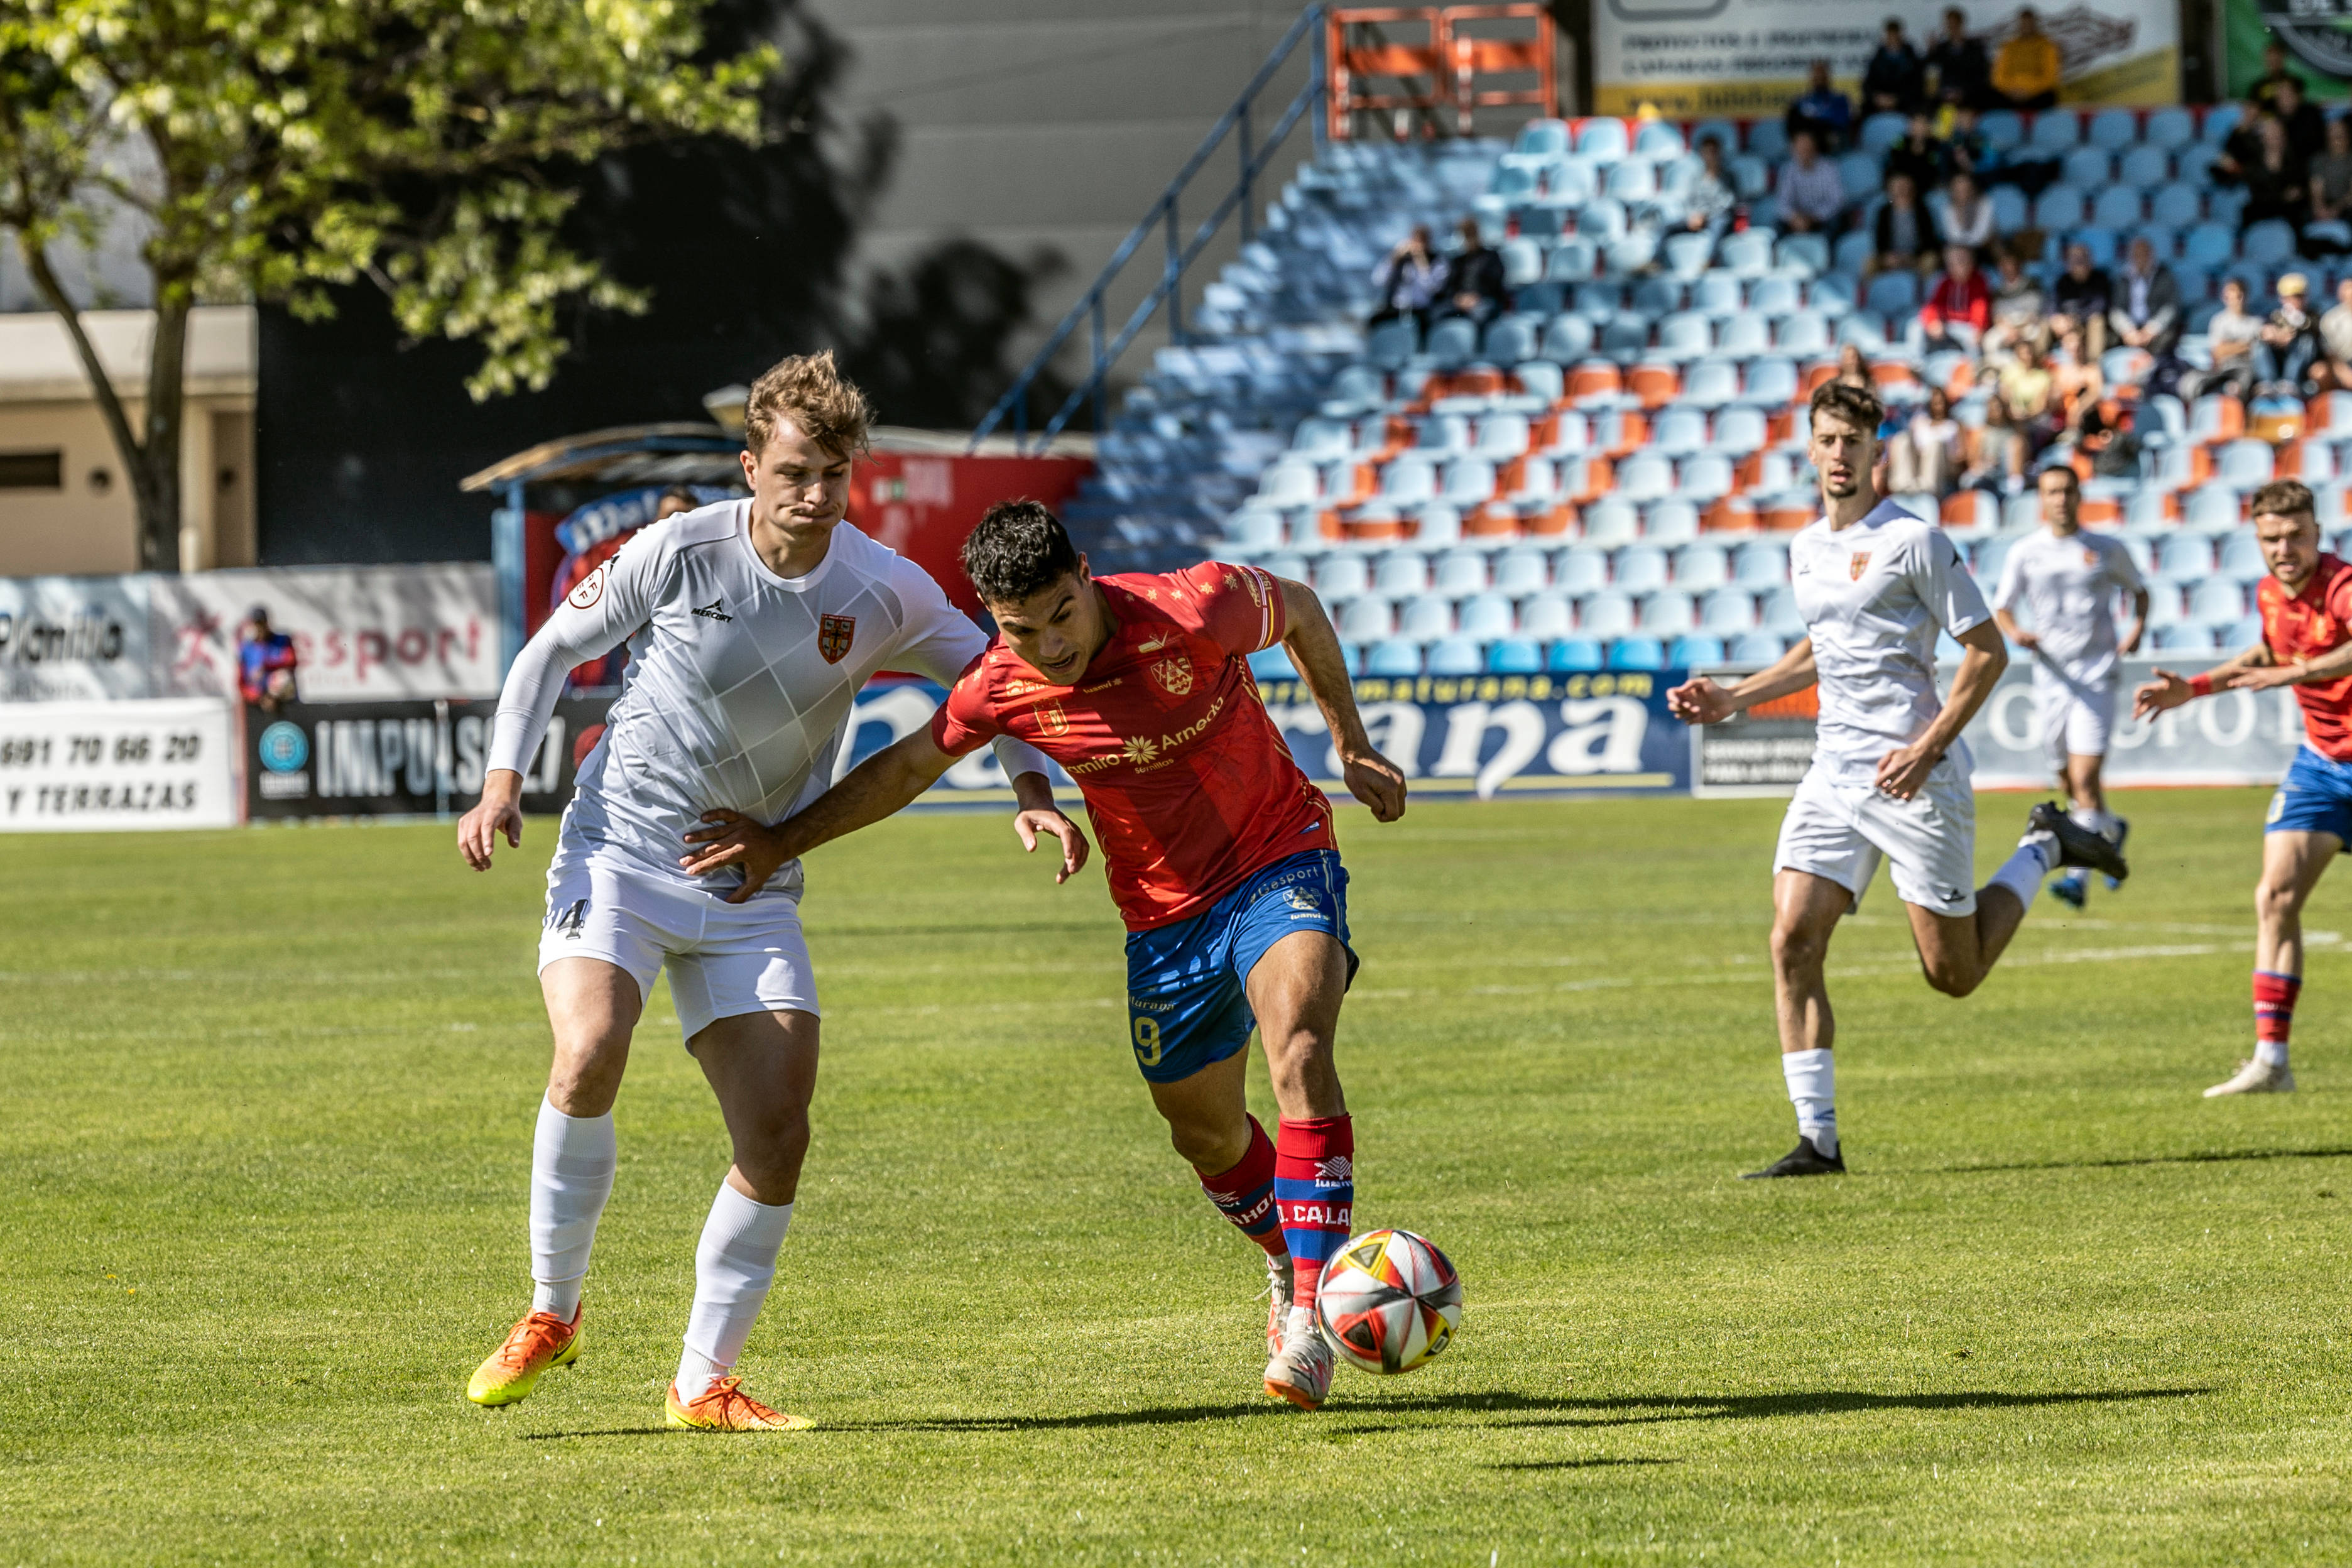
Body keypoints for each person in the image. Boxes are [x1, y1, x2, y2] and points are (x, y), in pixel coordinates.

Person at [451, 352, 1060, 1432]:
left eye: (831, 473)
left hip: (752, 880)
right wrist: (502, 785)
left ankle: (701, 1382)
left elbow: (993, 686)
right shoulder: (678, 551)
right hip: (621, 853)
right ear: (751, 466)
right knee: (589, 1048)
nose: (811, 494)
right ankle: (551, 1310)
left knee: (777, 1130)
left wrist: (1030, 789)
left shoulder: (881, 588)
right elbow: (547, 653)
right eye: (791, 471)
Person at [722, 500, 1409, 1409]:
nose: (1051, 644)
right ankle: (1288, 1257)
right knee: (1202, 1131)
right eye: (1021, 628)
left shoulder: (1197, 607)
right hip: (1164, 921)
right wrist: (781, 842)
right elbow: (904, 771)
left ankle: (1316, 1321)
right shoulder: (1001, 683)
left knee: (1300, 1049)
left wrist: (1351, 744)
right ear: (994, 623)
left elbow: (1306, 612)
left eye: (1061, 613)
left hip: (1281, 855)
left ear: (1085, 574)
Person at [1667, 381, 2125, 1179]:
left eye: (1854, 441)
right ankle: (1819, 1141)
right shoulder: (1806, 546)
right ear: (1810, 450)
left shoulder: (1915, 541)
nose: (1840, 455)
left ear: (1878, 451)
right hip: (1834, 774)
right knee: (1792, 938)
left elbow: (1988, 651)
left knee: (1954, 974)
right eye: (1828, 441)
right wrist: (1734, 695)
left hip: (1917, 779)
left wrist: (1928, 744)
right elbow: (1823, 645)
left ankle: (2045, 846)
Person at [2134, 481, 2352, 1097]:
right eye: (2272, 538)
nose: (2285, 548)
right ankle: (2271, 1060)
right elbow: (2267, 652)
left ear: (2317, 533)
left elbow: (2302, 658)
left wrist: (2300, 672)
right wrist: (2195, 689)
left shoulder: (2341, 587)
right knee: (2275, 897)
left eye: (2296, 535)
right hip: (2322, 767)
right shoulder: (2267, 593)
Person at [1991, 466, 2150, 908]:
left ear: (2080, 495)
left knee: (2084, 778)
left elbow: (2140, 592)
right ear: (2042, 499)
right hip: (2051, 680)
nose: (2060, 499)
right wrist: (2016, 632)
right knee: (2065, 778)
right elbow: (2002, 606)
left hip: (2095, 674)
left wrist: (2137, 629)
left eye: (2067, 491)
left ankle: (2078, 879)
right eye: (2051, 492)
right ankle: (2112, 828)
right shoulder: (2026, 552)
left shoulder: (2105, 549)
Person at [2109, 237, 2181, 357]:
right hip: (2129, 329)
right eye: (2136, 254)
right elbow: (2116, 309)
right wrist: (2127, 331)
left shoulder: (2165, 277)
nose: (2141, 258)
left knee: (2169, 339)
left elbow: (2172, 307)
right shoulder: (2122, 278)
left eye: (2144, 254)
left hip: (2155, 329)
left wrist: (2151, 330)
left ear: (2152, 255)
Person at [1887, 386, 1963, 496]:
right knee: (1902, 439)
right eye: (1935, 403)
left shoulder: (1953, 425)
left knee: (1935, 445)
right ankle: (1901, 483)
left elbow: (1960, 456)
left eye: (1940, 403)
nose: (1938, 406)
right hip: (1919, 460)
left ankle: (1928, 487)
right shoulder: (1920, 422)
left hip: (1943, 464)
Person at [2240, 116, 2311, 233]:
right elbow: (2257, 199)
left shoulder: (2295, 165)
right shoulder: (2252, 167)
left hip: (2290, 222)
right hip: (2259, 221)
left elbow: (2299, 194)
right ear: (2263, 138)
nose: (2276, 136)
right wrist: (2282, 198)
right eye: (2272, 133)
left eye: (2279, 133)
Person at [1432, 217, 1508, 325]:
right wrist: (1457, 298)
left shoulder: (1491, 257)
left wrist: (1476, 297)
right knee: (1437, 313)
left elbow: (1495, 285)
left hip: (1484, 300)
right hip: (1459, 301)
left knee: (1480, 315)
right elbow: (1450, 286)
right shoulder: (1458, 260)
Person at [2258, 272, 2322, 397]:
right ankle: (2267, 384)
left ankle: (2290, 384)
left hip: (2302, 373)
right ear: (2282, 299)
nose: (2295, 301)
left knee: (2306, 341)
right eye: (2290, 297)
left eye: (2299, 297)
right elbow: (2263, 332)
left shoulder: (2313, 315)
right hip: (2277, 365)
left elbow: (2314, 329)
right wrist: (2272, 335)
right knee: (2259, 344)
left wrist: (2294, 332)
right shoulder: (2275, 316)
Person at [2201, 276, 2263, 401]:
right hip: (2225, 370)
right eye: (2231, 296)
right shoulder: (2219, 321)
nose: (2237, 301)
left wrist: (2229, 346)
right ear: (2224, 298)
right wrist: (2244, 345)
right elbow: (2217, 352)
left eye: (2240, 296)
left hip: (2249, 371)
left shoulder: (2256, 322)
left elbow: (2257, 351)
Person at [1919, 243, 1991, 350]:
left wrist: (1979, 329)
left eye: (1961, 261)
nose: (1957, 265)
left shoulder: (1979, 281)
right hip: (1947, 324)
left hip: (1968, 326)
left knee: (1972, 340)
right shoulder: (1945, 282)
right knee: (1916, 327)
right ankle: (1916, 363)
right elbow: (1932, 305)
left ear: (1971, 262)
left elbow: (1981, 307)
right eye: (1952, 263)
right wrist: (1932, 321)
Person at [1868, 172, 1943, 275]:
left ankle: (1924, 290)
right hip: (1892, 257)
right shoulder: (1883, 212)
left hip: (1917, 257)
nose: (1901, 190)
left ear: (1912, 188)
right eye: (1897, 186)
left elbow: (1930, 241)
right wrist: (1887, 256)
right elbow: (1880, 241)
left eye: (1904, 185)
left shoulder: (1923, 210)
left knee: (1931, 260)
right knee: (1869, 263)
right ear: (1890, 189)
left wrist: (1911, 257)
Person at [2048, 242, 2112, 359]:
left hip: (2087, 322)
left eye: (2082, 259)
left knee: (2097, 321)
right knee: (2045, 323)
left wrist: (2073, 319)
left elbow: (2100, 307)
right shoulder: (2063, 281)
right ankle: (2038, 367)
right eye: (2075, 260)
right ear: (2068, 263)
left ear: (2090, 261)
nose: (2079, 263)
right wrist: (2056, 318)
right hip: (2066, 323)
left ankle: (2093, 365)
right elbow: (2052, 305)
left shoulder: (2100, 279)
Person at [1369, 226, 1441, 327]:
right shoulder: (1400, 259)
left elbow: (1432, 288)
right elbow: (1378, 280)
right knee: (1376, 322)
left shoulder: (1437, 261)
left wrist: (1422, 264)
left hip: (1421, 310)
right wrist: (1394, 258)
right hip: (1396, 308)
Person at [1776, 131, 1846, 233]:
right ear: (1793, 149)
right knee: (1777, 224)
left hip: (1821, 219)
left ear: (1815, 148)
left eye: (1807, 147)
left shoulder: (1829, 167)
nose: (1803, 151)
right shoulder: (1788, 170)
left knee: (1836, 223)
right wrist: (1794, 218)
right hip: (1797, 219)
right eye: (1800, 147)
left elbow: (1837, 201)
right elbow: (1782, 202)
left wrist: (1814, 218)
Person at [1991, 8, 2061, 112]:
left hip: (2036, 95)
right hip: (2010, 94)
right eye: (2024, 24)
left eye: (2029, 24)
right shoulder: (2009, 47)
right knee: (1989, 96)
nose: (2026, 27)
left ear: (2035, 24)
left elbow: (2050, 78)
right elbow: (1998, 77)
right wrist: (2012, 91)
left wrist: (2029, 91)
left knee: (2049, 96)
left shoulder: (2047, 46)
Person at [1984, 246, 2047, 357]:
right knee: (1990, 341)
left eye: (2011, 264)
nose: (2008, 269)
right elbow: (1997, 316)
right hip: (2007, 328)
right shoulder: (1998, 291)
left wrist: (2019, 330)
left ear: (2019, 265)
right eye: (2004, 265)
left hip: (2028, 326)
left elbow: (2036, 312)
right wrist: (2009, 330)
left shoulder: (2032, 285)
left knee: (2038, 334)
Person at [1927, 7, 1991, 111]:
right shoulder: (1940, 49)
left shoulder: (1975, 48)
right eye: (1949, 25)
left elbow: (1981, 76)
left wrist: (1962, 92)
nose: (1952, 28)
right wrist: (1931, 51)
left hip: (1968, 95)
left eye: (1955, 25)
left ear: (1961, 24)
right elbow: (1931, 71)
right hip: (1944, 95)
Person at [236, 606, 298, 713]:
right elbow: (240, 682)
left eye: (262, 623)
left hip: (285, 702)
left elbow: (292, 662)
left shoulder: (283, 641)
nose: (260, 627)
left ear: (268, 623)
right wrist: (259, 698)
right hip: (257, 706)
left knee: (283, 677)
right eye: (257, 623)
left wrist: (267, 667)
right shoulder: (246, 649)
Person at [1787, 59, 1855, 153]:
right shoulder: (1802, 102)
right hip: (1808, 142)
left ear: (1828, 76)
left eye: (1822, 73)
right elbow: (1793, 126)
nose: (1819, 77)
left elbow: (1841, 123)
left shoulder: (1839, 100)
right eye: (1816, 74)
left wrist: (1813, 121)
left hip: (1830, 141)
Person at [1863, 19, 1925, 116]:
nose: (1892, 39)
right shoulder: (1878, 58)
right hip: (1881, 100)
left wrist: (1897, 99)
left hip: (1905, 101)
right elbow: (1868, 84)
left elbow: (1917, 85)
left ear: (1900, 35)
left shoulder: (1911, 58)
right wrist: (1877, 97)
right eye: (1889, 35)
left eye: (1894, 35)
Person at [1680, 133, 1738, 235]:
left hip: (1715, 219)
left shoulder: (1728, 178)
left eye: (1713, 152)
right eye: (1706, 152)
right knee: (1669, 227)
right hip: (1695, 219)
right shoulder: (1696, 178)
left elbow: (1728, 203)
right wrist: (1692, 216)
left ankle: (1710, 252)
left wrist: (1704, 216)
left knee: (1719, 225)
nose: (1710, 156)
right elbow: (1688, 201)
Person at [1884, 111, 1946, 193]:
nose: (1919, 128)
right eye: (1916, 123)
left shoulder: (1938, 147)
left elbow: (1940, 176)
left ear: (1929, 126)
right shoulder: (1900, 143)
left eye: (1923, 123)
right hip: (1902, 190)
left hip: (1928, 191)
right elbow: (1891, 170)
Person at [2307, 116, 2352, 231]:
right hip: (2325, 204)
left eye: (2340, 135)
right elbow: (2316, 190)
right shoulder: (2318, 160)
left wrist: (2335, 210)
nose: (2336, 139)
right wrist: (2320, 209)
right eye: (2332, 135)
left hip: (2345, 206)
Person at [1939, 170, 1998, 254]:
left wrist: (1967, 246)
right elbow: (1951, 237)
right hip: (1958, 252)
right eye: (1958, 189)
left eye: (1965, 188)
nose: (1962, 192)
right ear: (1952, 190)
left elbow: (1983, 236)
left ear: (1972, 188)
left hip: (1984, 250)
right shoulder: (1947, 209)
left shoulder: (1985, 204)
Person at [2272, 75, 2326, 165]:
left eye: (2286, 94)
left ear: (2298, 96)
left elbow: (2314, 146)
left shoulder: (2311, 114)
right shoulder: (2276, 118)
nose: (2282, 99)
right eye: (2279, 95)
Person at [2251, 40, 2304, 117]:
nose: (2273, 62)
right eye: (2271, 59)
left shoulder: (2295, 82)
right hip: (2266, 124)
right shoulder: (2258, 86)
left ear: (2283, 58)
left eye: (2276, 58)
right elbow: (2254, 109)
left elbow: (2300, 107)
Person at [2319, 276, 2352, 390]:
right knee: (2319, 372)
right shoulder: (2331, 319)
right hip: (2340, 366)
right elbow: (2330, 354)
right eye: (2347, 288)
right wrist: (2344, 373)